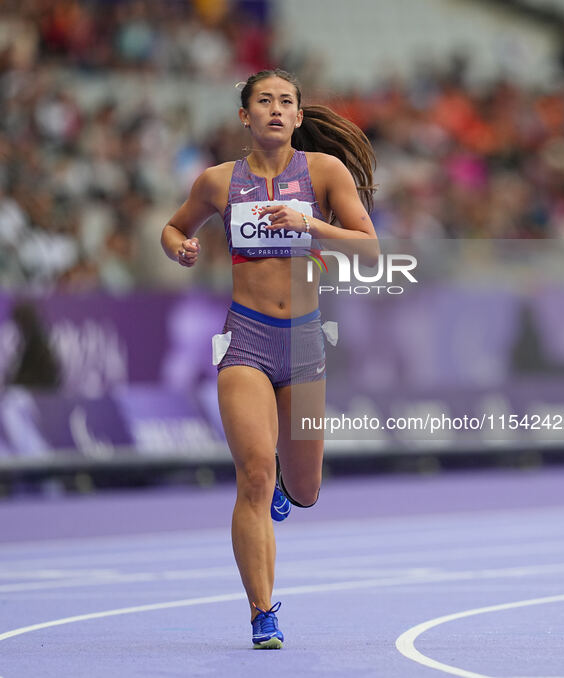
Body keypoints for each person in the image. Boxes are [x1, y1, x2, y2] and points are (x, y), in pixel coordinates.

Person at [160, 68, 377, 649]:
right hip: (247, 340)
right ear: (245, 117)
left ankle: (288, 481)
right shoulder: (216, 182)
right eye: (264, 101)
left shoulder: (324, 173)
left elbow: (370, 245)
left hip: (304, 343)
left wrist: (310, 223)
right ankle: (262, 612)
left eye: (286, 101)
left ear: (300, 117)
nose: (276, 109)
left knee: (303, 490)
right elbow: (173, 227)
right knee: (252, 474)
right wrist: (180, 246)